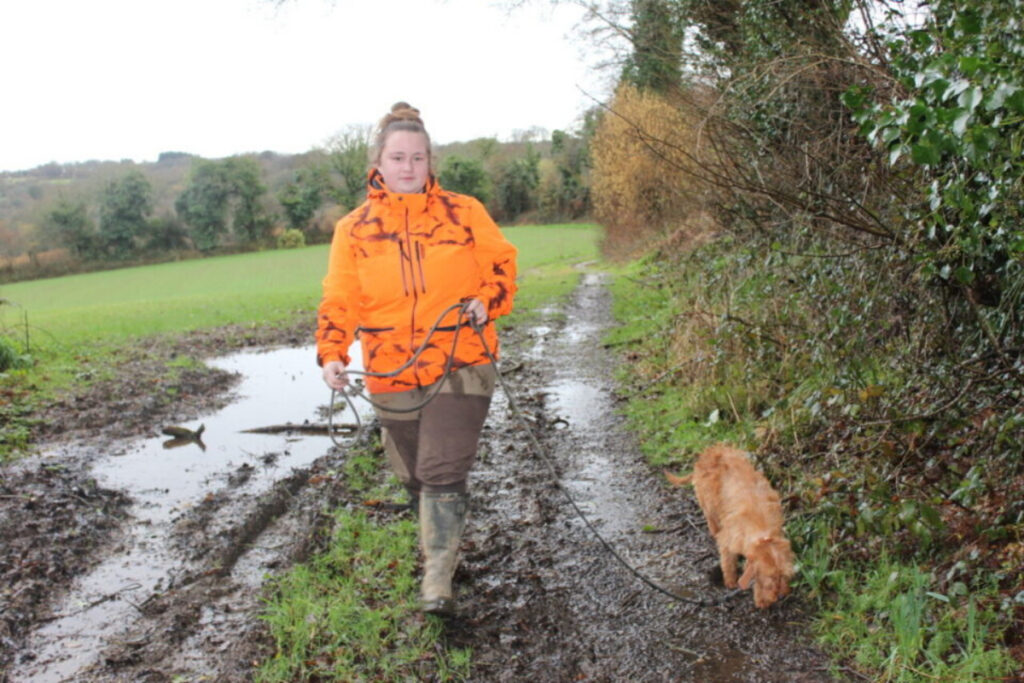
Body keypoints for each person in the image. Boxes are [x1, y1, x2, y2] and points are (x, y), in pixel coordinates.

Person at [315, 102, 518, 615]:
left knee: (440, 466)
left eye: (418, 158)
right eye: (398, 157)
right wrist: (332, 352)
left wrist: (486, 300)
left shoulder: (464, 212)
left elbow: (501, 265)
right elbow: (340, 296)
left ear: (431, 162)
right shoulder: (353, 229)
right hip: (389, 367)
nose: (408, 167)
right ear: (378, 164)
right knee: (413, 474)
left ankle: (437, 579)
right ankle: (443, 545)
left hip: (461, 358)